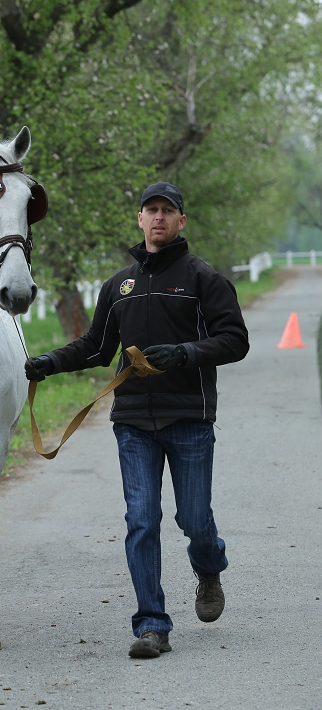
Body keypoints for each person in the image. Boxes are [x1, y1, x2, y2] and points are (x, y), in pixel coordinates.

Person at [25, 182, 249, 659]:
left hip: (189, 418)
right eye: (152, 210)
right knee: (142, 521)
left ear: (181, 221)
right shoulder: (119, 287)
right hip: (132, 423)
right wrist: (50, 362)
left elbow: (235, 340)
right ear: (140, 219)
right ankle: (153, 625)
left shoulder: (202, 279)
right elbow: (95, 348)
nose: (159, 217)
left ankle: (209, 568)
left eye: (169, 210)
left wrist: (186, 353)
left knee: (193, 519)